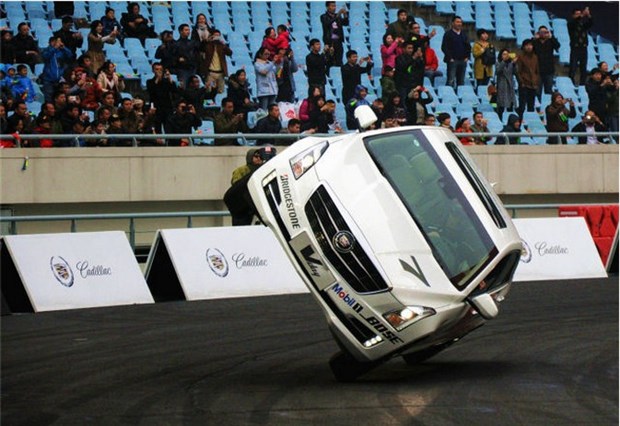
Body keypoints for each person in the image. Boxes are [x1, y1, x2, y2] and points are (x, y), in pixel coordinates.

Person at [224, 146, 276, 226]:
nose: (258, 158)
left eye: (260, 156)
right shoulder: (242, 170)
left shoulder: (262, 170)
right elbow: (236, 184)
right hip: (243, 204)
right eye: (256, 156)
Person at [40, 36, 73, 102]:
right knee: (49, 99)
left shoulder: (61, 52)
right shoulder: (46, 50)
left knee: (60, 99)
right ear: (52, 42)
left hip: (59, 80)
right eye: (58, 41)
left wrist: (64, 48)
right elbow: (45, 56)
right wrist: (54, 48)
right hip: (48, 80)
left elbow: (70, 55)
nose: (60, 43)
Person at [200, 29, 232, 96]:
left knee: (221, 91)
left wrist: (223, 44)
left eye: (218, 35)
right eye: (215, 35)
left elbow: (230, 53)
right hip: (210, 72)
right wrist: (207, 41)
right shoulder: (208, 45)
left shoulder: (222, 46)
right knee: (208, 90)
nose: (217, 37)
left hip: (220, 73)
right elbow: (201, 48)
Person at [441, 16, 471, 90]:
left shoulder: (464, 34)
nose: (459, 24)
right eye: (457, 22)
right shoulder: (448, 34)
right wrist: (450, 58)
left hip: (463, 61)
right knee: (450, 80)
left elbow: (468, 47)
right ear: (452, 23)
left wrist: (467, 57)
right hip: (452, 61)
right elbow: (444, 47)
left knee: (461, 81)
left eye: (460, 22)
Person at [146, 62, 178, 129]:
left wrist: (170, 78)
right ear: (153, 70)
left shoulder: (167, 81)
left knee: (169, 127)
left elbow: (174, 91)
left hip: (167, 107)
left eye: (160, 69)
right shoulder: (150, 82)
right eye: (157, 69)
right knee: (157, 127)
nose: (159, 71)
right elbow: (151, 91)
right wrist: (157, 79)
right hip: (156, 108)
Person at [533, 26, 561, 98]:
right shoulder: (535, 42)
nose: (543, 34)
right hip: (537, 70)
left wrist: (551, 37)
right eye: (541, 32)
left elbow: (557, 46)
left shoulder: (551, 41)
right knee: (537, 91)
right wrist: (533, 38)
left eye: (545, 32)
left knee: (548, 91)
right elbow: (528, 49)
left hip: (549, 70)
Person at [568, 7, 593, 86]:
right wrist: (583, 14)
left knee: (583, 68)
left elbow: (591, 23)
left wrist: (588, 15)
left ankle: (582, 84)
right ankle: (571, 84)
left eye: (580, 13)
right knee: (573, 67)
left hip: (583, 48)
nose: (579, 16)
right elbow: (575, 22)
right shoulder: (570, 23)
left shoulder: (582, 24)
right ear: (573, 15)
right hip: (575, 48)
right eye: (577, 14)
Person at [516, 39, 539, 118]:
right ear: (524, 47)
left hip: (533, 85)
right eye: (527, 45)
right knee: (522, 106)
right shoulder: (521, 57)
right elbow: (518, 71)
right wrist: (521, 82)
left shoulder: (535, 57)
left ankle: (530, 122)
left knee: (531, 106)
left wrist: (536, 80)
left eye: (530, 45)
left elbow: (537, 71)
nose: (529, 47)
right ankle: (520, 121)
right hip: (524, 84)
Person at [321, 2, 349, 68]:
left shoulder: (337, 17)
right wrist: (338, 15)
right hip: (330, 42)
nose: (334, 8)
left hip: (338, 41)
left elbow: (345, 23)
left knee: (339, 61)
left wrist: (345, 14)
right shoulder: (323, 16)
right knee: (330, 61)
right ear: (327, 7)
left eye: (335, 6)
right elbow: (327, 24)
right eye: (332, 6)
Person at [254, 47, 279, 111]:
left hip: (272, 89)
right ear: (260, 54)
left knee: (272, 110)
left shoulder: (270, 63)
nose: (267, 56)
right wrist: (273, 62)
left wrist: (279, 64)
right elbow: (264, 71)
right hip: (263, 92)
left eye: (268, 54)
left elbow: (277, 73)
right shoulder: (257, 64)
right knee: (264, 110)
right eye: (265, 54)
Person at [495, 49, 518, 120]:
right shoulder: (498, 62)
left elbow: (515, 72)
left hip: (510, 85)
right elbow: (498, 71)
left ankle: (510, 120)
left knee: (510, 104)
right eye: (504, 54)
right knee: (501, 104)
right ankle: (499, 118)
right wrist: (504, 61)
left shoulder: (511, 63)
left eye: (507, 54)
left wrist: (514, 64)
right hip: (502, 85)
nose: (505, 56)